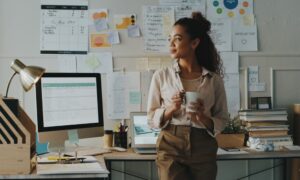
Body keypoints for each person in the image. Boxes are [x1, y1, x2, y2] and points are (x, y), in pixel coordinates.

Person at [147, 12, 229, 180]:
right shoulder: (161, 75)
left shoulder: (214, 80)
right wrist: (171, 109)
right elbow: (151, 118)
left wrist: (203, 117)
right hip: (170, 143)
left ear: (194, 43)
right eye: (169, 38)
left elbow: (222, 119)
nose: (171, 43)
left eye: (177, 38)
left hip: (203, 145)